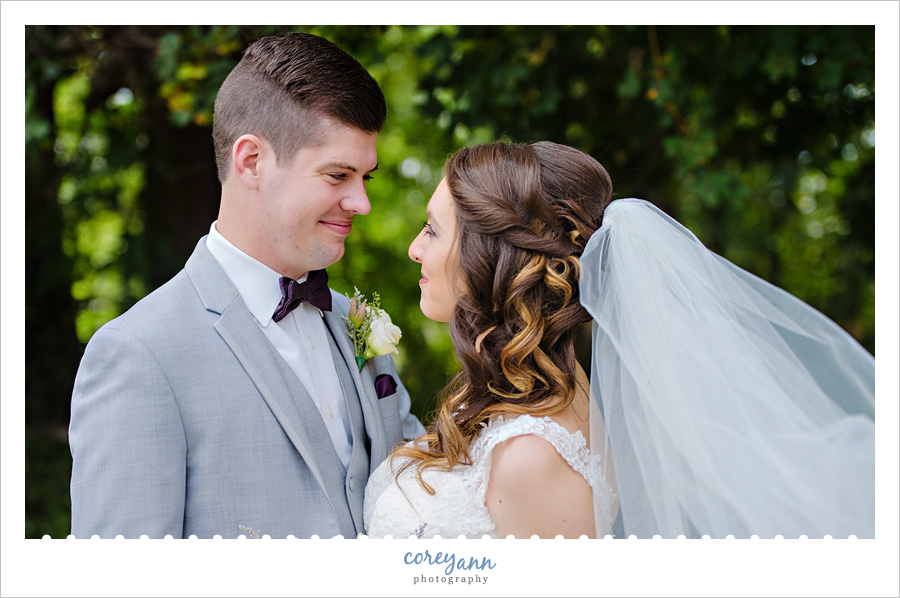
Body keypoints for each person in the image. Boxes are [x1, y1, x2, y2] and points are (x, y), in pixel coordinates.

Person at [363, 140, 875, 539]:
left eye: (432, 230)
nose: (413, 248)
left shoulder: (533, 452)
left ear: (487, 256)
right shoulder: (515, 407)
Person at [69, 31, 424, 539]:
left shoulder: (355, 324)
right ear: (251, 161)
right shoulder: (139, 354)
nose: (361, 203)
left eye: (365, 177)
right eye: (338, 175)